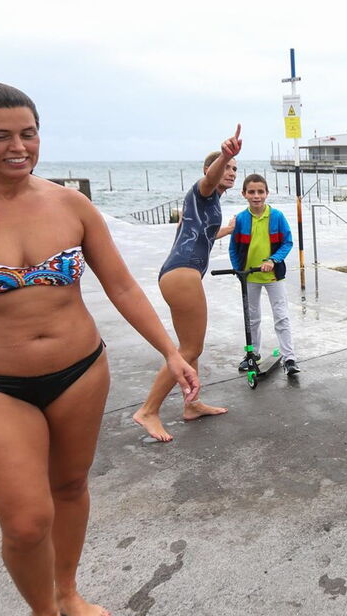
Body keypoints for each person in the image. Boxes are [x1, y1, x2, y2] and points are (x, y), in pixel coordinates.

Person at [0, 82, 199, 616]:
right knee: (26, 523)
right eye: (0, 136)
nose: (18, 146)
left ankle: (67, 593)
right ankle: (43, 612)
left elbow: (121, 286)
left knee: (70, 486)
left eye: (28, 133)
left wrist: (171, 351)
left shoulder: (70, 204)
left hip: (80, 371)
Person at [132, 132, 242, 441]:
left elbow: (196, 234)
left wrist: (226, 230)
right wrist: (223, 157)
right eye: (228, 168)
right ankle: (148, 410)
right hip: (183, 274)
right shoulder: (203, 190)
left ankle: (191, 405)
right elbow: (209, 179)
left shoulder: (208, 204)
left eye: (235, 168)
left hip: (179, 273)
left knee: (190, 346)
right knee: (190, 348)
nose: (232, 173)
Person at [228, 174, 300, 375]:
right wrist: (238, 269)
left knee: (281, 316)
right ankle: (253, 354)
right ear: (244, 194)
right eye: (251, 192)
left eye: (260, 192)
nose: (256, 196)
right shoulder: (241, 219)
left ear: (267, 193)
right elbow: (233, 248)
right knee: (252, 318)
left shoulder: (276, 216)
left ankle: (289, 358)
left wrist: (272, 260)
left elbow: (287, 242)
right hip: (249, 277)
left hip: (273, 276)